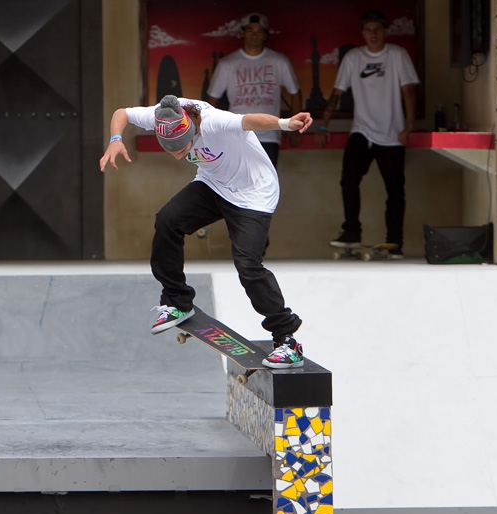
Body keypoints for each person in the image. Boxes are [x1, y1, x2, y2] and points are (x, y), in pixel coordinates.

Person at [100, 95, 309, 368]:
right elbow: (121, 111)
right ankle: (177, 301)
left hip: (253, 194)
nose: (177, 154)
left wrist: (286, 123)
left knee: (248, 265)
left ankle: (286, 339)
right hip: (213, 186)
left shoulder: (214, 122)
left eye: (181, 147)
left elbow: (250, 120)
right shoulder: (163, 116)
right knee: (167, 220)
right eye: (169, 148)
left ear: (192, 130)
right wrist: (116, 139)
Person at [314, 9, 419, 259]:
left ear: (385, 31)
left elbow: (408, 92)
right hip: (362, 130)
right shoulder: (353, 57)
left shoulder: (397, 55)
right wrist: (322, 125)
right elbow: (337, 94)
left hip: (392, 133)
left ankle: (395, 241)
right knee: (348, 180)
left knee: (395, 190)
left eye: (377, 29)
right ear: (362, 32)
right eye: (368, 30)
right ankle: (352, 231)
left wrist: (409, 127)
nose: (373, 34)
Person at [205, 13, 303, 167]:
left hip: (269, 134)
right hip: (236, 134)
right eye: (250, 30)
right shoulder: (228, 63)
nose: (254, 35)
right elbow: (211, 99)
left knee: (266, 185)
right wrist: (210, 130)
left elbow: (295, 93)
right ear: (242, 33)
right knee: (236, 184)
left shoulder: (278, 61)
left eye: (259, 31)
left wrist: (296, 128)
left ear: (265, 35)